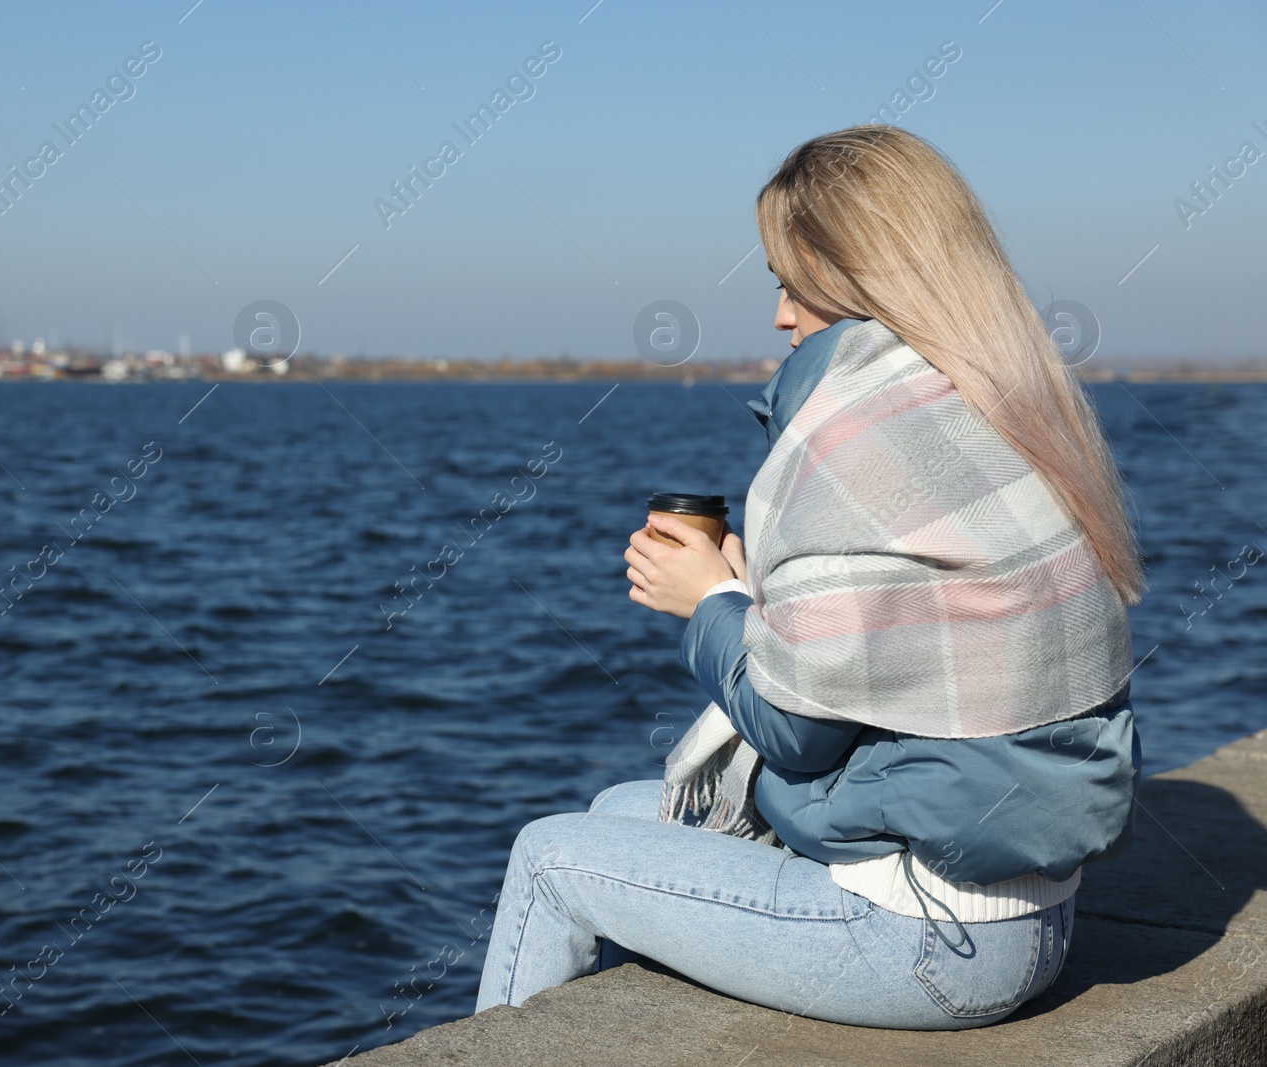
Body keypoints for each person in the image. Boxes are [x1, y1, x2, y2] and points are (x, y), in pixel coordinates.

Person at [473, 125, 1143, 1029]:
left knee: (552, 856)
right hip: (1026, 906)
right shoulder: (1000, 399)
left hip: (930, 939)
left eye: (789, 285)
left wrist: (709, 603)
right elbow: (910, 650)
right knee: (619, 811)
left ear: (853, 283)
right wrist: (764, 602)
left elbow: (796, 735)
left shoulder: (855, 434)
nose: (781, 316)